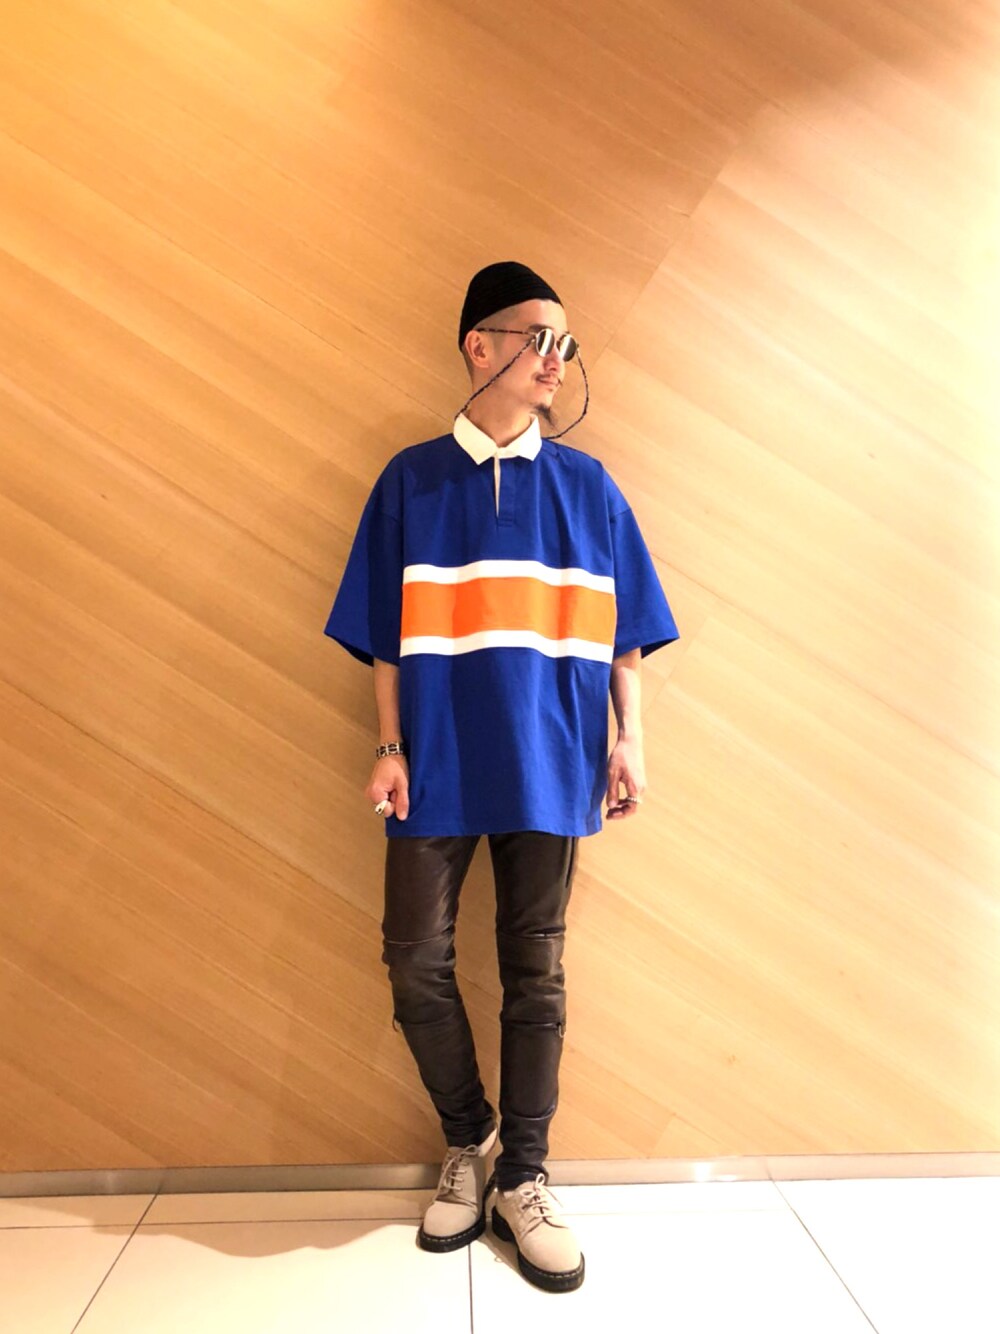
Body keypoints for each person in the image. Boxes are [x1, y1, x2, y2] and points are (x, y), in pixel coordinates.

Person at [324, 261, 679, 1293]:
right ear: (479, 345)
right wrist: (389, 746)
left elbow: (626, 633)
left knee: (537, 974)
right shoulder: (410, 481)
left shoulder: (588, 485)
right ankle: (469, 1137)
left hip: (551, 757)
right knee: (412, 959)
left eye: (567, 343)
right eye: (538, 337)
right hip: (434, 758)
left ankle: (524, 1175)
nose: (556, 360)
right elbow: (384, 639)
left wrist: (630, 738)